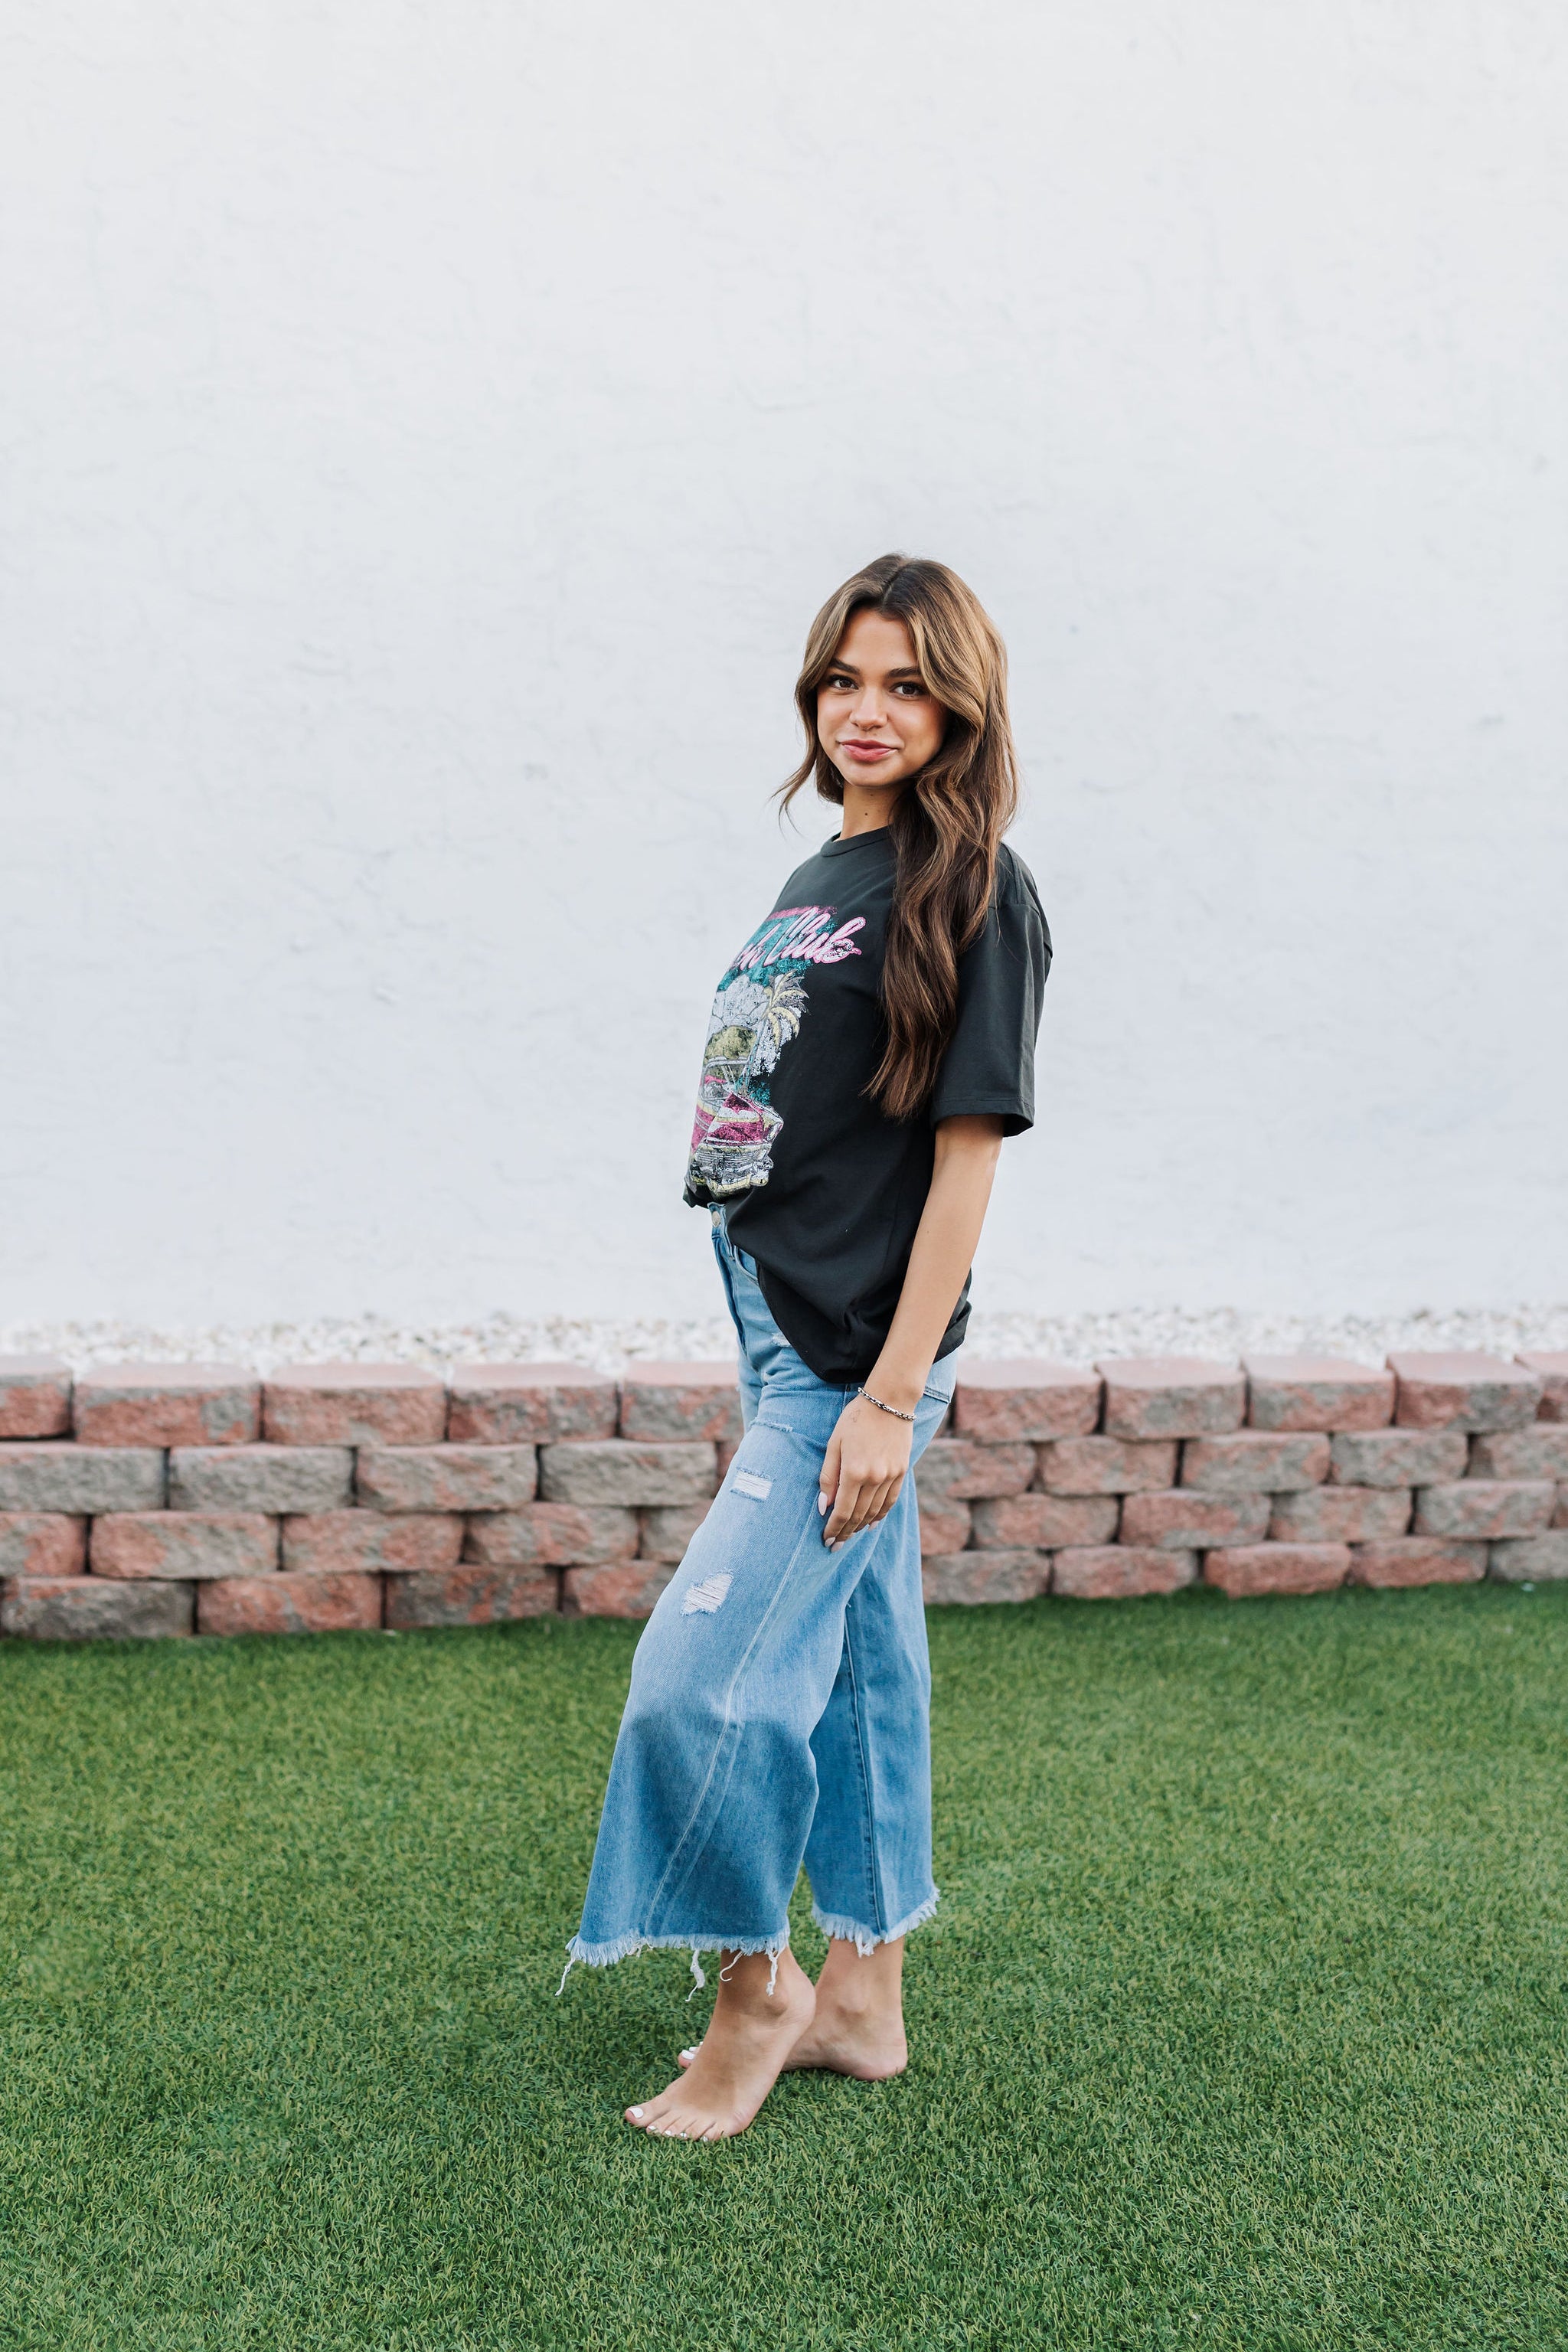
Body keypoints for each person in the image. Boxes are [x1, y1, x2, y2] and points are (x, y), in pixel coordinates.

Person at [562, 554, 1050, 2139]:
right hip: (778, 1321)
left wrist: (890, 1396)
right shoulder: (826, 874)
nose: (867, 709)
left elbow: (967, 1158)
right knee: (862, 1673)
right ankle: (866, 2000)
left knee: (692, 1682)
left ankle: (749, 1986)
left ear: (958, 705)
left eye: (906, 683)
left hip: (853, 1353)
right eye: (846, 678)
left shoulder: (976, 885)